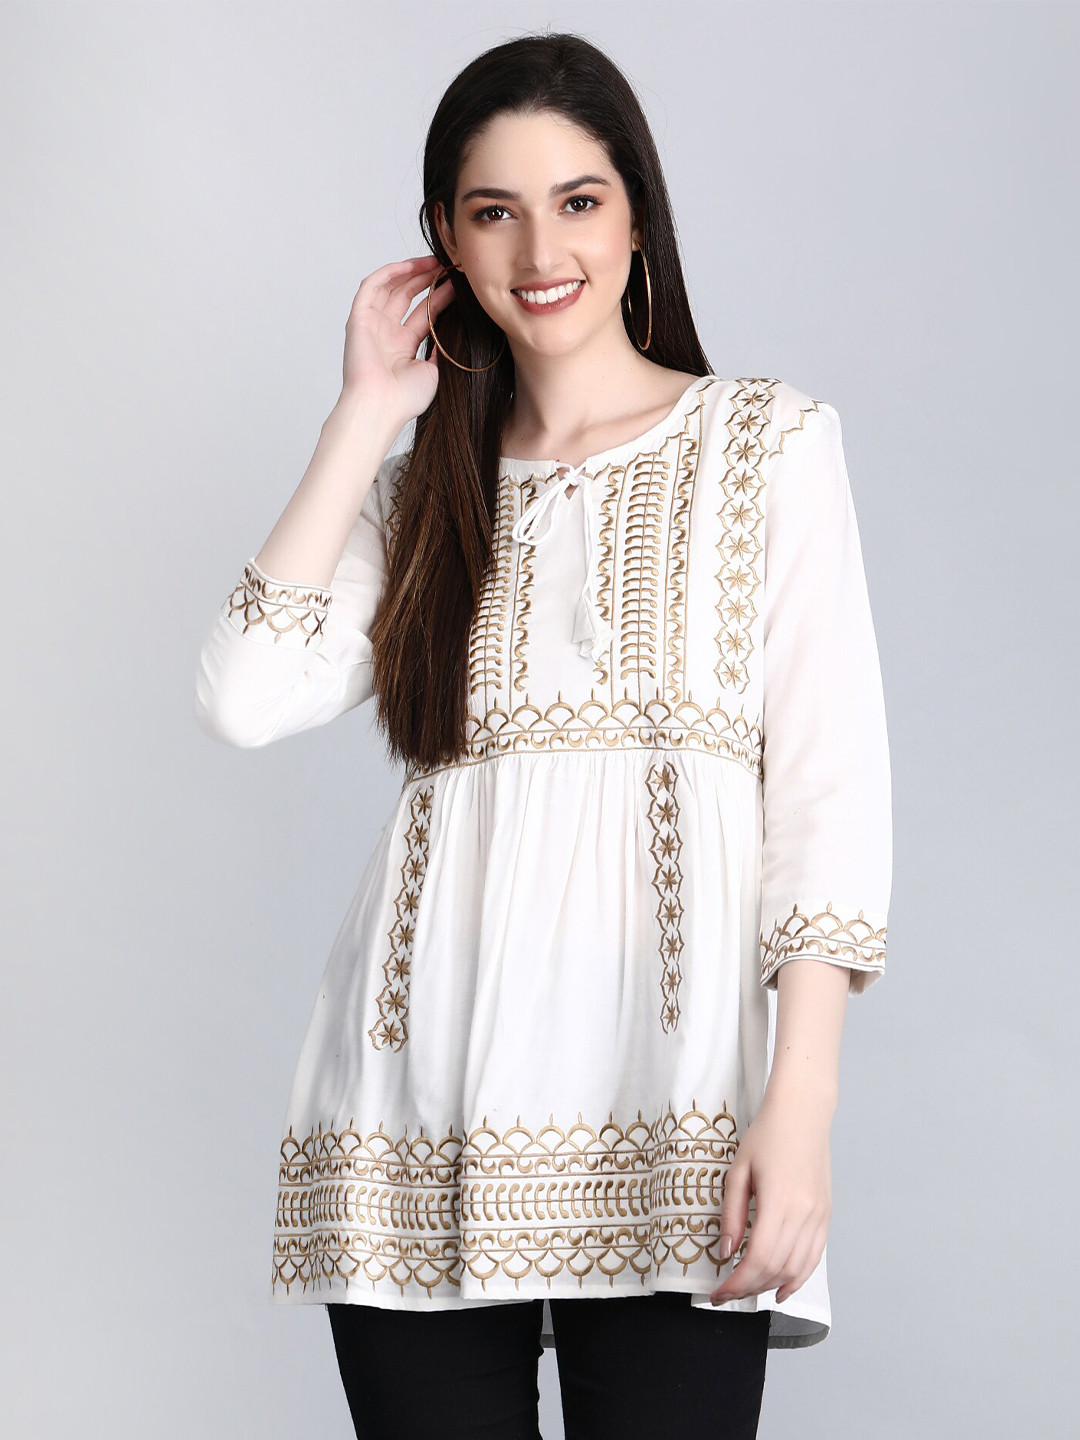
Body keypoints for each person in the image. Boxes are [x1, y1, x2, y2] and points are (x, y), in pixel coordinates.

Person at [193, 30, 892, 1440]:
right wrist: (365, 414)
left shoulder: (767, 444)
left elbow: (829, 789)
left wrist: (801, 1102)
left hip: (674, 1109)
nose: (539, 250)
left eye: (578, 200)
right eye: (492, 211)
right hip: (412, 1112)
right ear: (446, 242)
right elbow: (242, 695)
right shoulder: (422, 493)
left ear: (637, 217)